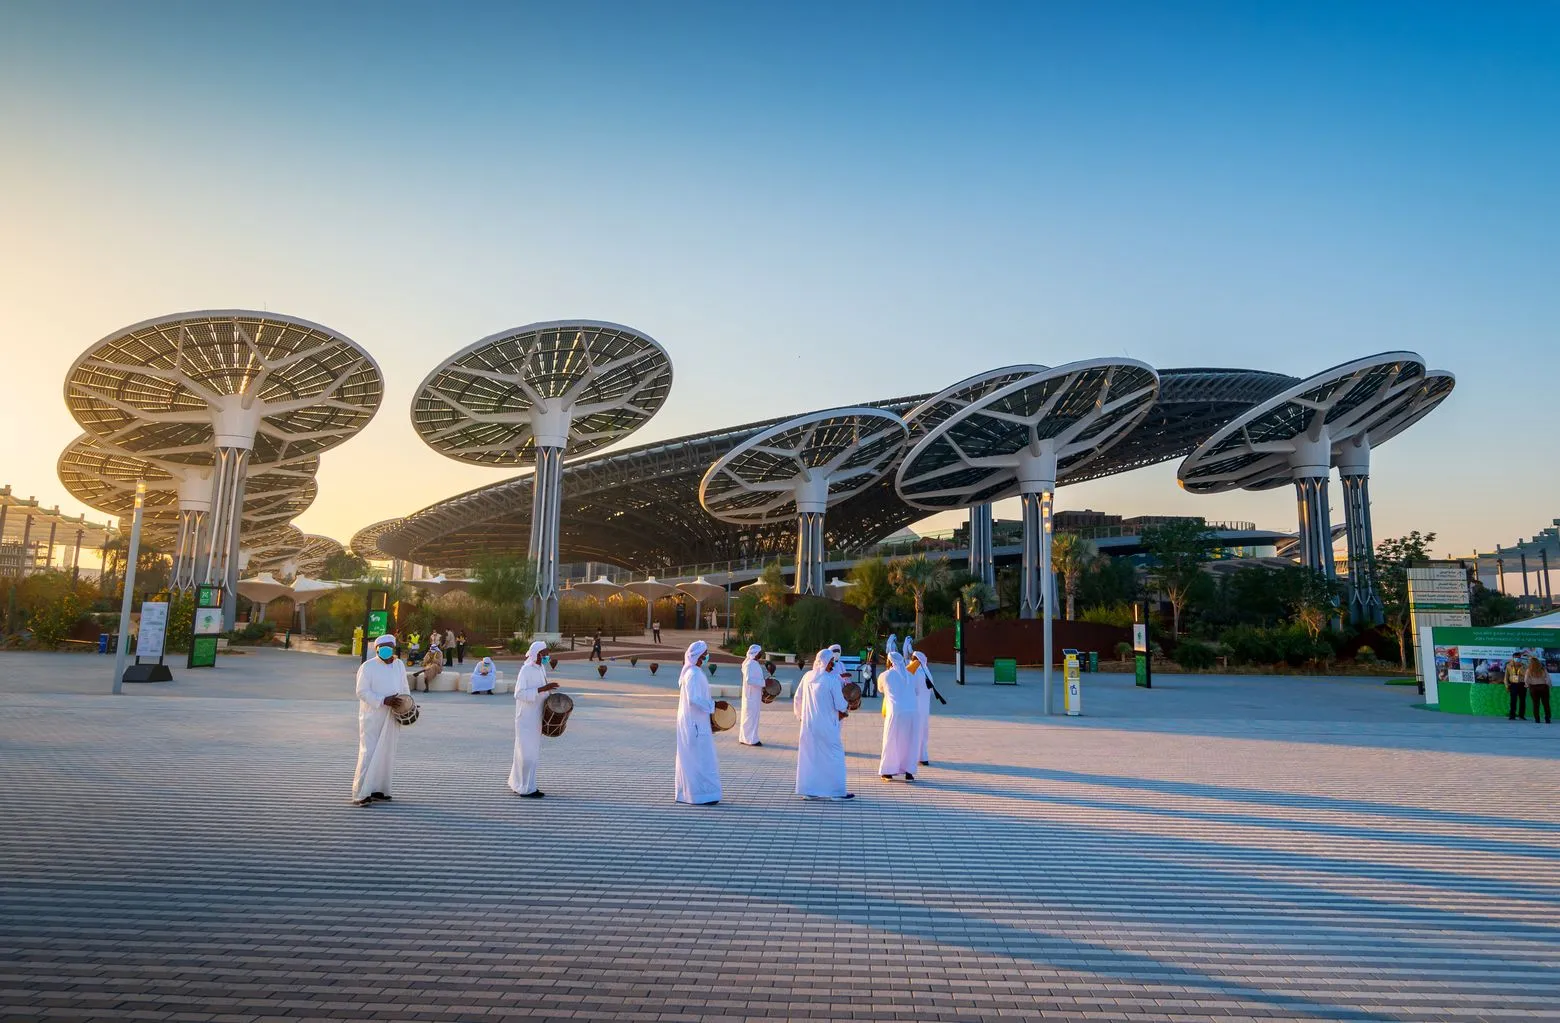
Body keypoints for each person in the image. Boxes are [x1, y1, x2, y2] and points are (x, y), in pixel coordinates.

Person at [351, 634, 410, 806]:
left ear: (393, 648)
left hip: (392, 716)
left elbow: (405, 687)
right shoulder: (367, 667)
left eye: (388, 646)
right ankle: (361, 793)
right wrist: (383, 700)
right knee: (368, 752)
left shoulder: (399, 665)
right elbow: (361, 691)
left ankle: (379, 789)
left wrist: (408, 705)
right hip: (373, 716)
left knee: (386, 752)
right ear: (376, 649)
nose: (385, 650)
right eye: (381, 647)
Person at [794, 649, 854, 800]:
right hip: (827, 725)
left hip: (809, 726)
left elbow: (797, 698)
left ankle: (810, 790)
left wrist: (802, 716)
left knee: (811, 756)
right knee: (835, 756)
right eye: (831, 662)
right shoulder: (831, 680)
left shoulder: (807, 677)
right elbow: (840, 705)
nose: (832, 666)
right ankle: (836, 792)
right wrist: (849, 705)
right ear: (824, 662)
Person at [509, 641, 562, 797]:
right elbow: (518, 694)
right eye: (545, 653)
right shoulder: (526, 670)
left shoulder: (540, 668)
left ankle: (524, 784)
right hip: (526, 718)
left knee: (531, 753)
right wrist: (543, 689)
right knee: (526, 753)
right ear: (538, 654)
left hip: (536, 716)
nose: (547, 656)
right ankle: (525, 789)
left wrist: (548, 692)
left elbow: (541, 691)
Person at [675, 640, 721, 805]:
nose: (708, 656)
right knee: (699, 759)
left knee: (697, 758)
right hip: (694, 724)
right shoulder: (693, 674)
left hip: (696, 722)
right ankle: (700, 795)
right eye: (705, 654)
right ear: (698, 656)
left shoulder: (694, 672)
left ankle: (696, 794)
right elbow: (695, 699)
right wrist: (714, 706)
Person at [877, 650, 917, 781]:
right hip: (911, 712)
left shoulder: (885, 675)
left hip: (895, 712)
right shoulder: (910, 676)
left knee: (891, 740)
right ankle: (908, 772)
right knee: (908, 742)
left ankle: (887, 772)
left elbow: (880, 689)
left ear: (889, 662)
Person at [739, 643, 765, 747]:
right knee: (750, 717)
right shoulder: (750, 664)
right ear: (756, 653)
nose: (761, 654)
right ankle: (750, 739)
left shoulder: (753, 663)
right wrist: (763, 683)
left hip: (754, 695)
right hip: (751, 696)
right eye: (760, 652)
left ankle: (746, 737)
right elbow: (749, 680)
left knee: (750, 717)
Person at [912, 647, 934, 766]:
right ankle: (923, 756)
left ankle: (914, 756)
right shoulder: (926, 671)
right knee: (923, 731)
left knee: (914, 731)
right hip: (925, 708)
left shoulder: (913, 672)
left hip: (914, 707)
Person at [1527, 653, 1552, 724]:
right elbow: (1548, 679)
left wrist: (1528, 685)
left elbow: (1526, 679)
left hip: (1533, 688)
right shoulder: (1543, 669)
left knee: (1535, 704)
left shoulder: (1529, 670)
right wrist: (1549, 686)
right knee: (1546, 704)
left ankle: (1537, 719)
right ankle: (1547, 719)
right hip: (1543, 687)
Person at [1506, 656, 1528, 721]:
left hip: (1522, 684)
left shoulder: (1524, 665)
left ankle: (1521, 715)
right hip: (1513, 684)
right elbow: (1506, 676)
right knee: (1513, 701)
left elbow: (1526, 675)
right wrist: (1507, 686)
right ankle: (1512, 715)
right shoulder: (1509, 665)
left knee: (1522, 701)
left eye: (1518, 658)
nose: (1517, 659)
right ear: (1513, 658)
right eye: (1516, 657)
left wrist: (1521, 667)